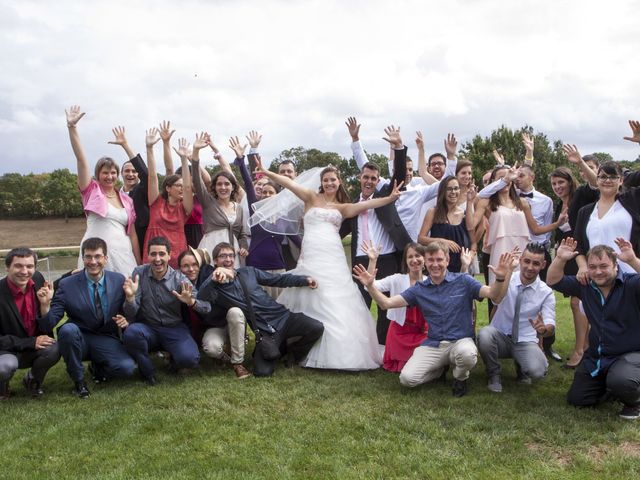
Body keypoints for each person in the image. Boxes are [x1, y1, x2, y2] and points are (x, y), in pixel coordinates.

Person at [252, 157, 403, 370]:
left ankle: (339, 351)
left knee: (335, 298)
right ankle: (295, 342)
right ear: (321, 183)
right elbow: (289, 184)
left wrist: (390, 198)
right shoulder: (310, 197)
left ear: (339, 182)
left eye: (333, 180)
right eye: (326, 180)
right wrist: (267, 172)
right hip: (312, 254)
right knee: (309, 293)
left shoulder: (343, 208)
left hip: (333, 256)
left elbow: (368, 204)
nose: (329, 183)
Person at [353, 242, 515, 397]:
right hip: (434, 344)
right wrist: (370, 285)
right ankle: (439, 370)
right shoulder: (419, 289)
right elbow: (385, 304)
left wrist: (500, 278)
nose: (435, 264)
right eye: (431, 260)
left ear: (447, 260)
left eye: (439, 259)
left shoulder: (463, 281)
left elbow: (495, 295)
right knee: (407, 379)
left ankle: (460, 378)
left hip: (460, 341)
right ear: (426, 262)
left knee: (467, 354)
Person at [197, 243, 324, 377]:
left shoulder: (249, 272)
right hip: (264, 332)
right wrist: (213, 279)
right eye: (223, 256)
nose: (228, 259)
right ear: (215, 261)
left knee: (317, 327)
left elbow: (278, 280)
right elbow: (201, 297)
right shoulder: (216, 289)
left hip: (285, 318)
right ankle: (278, 348)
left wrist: (304, 280)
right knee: (262, 372)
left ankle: (293, 353)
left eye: (231, 255)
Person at [547, 237, 640, 420]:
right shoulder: (585, 286)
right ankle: (613, 388)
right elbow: (553, 280)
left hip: (631, 354)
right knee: (578, 399)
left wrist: (632, 260)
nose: (598, 272)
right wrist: (560, 259)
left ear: (615, 266)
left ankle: (634, 401)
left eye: (604, 266)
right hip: (598, 357)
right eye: (593, 267)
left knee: (622, 381)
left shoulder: (631, 284)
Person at [341, 124, 414, 345]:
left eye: (374, 178)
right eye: (366, 177)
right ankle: (360, 346)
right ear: (359, 178)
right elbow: (337, 231)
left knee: (385, 307)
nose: (369, 181)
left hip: (389, 259)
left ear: (378, 180)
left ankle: (384, 346)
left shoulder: (385, 194)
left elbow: (399, 175)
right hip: (361, 261)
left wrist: (399, 147)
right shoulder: (352, 206)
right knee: (359, 304)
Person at [39, 238, 136, 398]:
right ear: (82, 258)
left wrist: (128, 311)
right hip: (78, 337)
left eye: (98, 256)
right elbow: (49, 323)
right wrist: (44, 306)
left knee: (127, 368)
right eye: (88, 257)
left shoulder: (118, 280)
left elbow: (129, 312)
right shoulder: (66, 284)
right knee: (68, 330)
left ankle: (97, 368)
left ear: (106, 258)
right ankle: (79, 382)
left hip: (105, 337)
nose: (93, 261)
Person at [122, 236, 211, 384]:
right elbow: (130, 313)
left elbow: (206, 307)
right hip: (148, 327)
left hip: (174, 328)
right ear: (148, 256)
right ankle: (147, 371)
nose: (157, 259)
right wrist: (130, 298)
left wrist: (191, 302)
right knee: (131, 333)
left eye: (162, 254)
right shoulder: (139, 273)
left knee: (190, 359)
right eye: (153, 254)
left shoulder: (179, 279)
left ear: (169, 256)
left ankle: (174, 359)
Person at [66, 105, 141, 275]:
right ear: (98, 175)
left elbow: (133, 235)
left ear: (118, 175)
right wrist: (72, 128)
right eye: (105, 172)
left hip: (123, 255)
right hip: (95, 254)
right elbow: (81, 160)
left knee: (126, 295)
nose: (109, 176)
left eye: (113, 172)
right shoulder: (91, 191)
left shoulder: (126, 200)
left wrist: (139, 263)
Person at [477, 242, 556, 393]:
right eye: (526, 261)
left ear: (543, 265)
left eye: (536, 263)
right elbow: (497, 299)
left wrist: (544, 329)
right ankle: (494, 374)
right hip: (500, 336)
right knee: (484, 335)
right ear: (520, 260)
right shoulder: (507, 278)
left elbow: (550, 325)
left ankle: (523, 368)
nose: (530, 267)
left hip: (525, 340)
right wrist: (507, 273)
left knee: (538, 371)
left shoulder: (546, 292)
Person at [232, 132, 297, 299]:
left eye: (271, 192)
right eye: (265, 192)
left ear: (277, 195)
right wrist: (241, 160)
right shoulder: (256, 211)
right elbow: (247, 181)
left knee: (280, 307)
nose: (267, 195)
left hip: (278, 267)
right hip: (256, 267)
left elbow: (298, 241)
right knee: (260, 309)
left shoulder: (284, 217)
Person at [0, 248, 60, 399]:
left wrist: (45, 306)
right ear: (7, 267)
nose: (24, 271)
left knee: (55, 349)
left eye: (29, 266)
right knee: (4, 367)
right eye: (18, 266)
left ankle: (32, 380)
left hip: (33, 347)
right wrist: (31, 342)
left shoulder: (38, 280)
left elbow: (46, 327)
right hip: (6, 350)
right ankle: (2, 386)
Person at [364, 242, 429, 372]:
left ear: (425, 259)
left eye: (418, 256)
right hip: (399, 332)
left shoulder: (431, 281)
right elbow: (369, 286)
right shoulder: (397, 279)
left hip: (422, 332)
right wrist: (372, 261)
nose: (414, 260)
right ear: (405, 261)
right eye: (410, 257)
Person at [549, 167, 588, 369]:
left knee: (577, 302)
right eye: (554, 184)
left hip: (583, 254)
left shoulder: (580, 196)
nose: (557, 187)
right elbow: (560, 231)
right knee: (578, 303)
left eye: (561, 183)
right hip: (568, 257)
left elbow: (594, 185)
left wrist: (581, 162)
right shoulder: (558, 205)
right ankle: (586, 346)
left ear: (570, 182)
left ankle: (580, 350)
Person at [191, 133, 249, 268]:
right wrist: (196, 151)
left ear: (233, 187)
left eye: (227, 184)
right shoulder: (208, 203)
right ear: (214, 187)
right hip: (211, 248)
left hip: (232, 251)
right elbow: (197, 179)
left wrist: (244, 246)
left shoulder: (238, 208)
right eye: (219, 184)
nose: (223, 187)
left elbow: (243, 234)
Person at [142, 130, 193, 268]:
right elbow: (152, 176)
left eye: (183, 186)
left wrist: (184, 159)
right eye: (178, 186)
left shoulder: (184, 208)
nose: (182, 189)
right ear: (168, 188)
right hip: (154, 254)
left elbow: (188, 187)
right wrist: (149, 148)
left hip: (177, 255)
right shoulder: (156, 202)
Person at [418, 176, 474, 273]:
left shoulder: (464, 215)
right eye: (449, 189)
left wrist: (470, 256)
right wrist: (442, 242)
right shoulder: (433, 212)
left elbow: (474, 242)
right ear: (443, 191)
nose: (453, 192)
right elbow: (421, 239)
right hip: (438, 267)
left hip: (461, 268)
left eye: (456, 188)